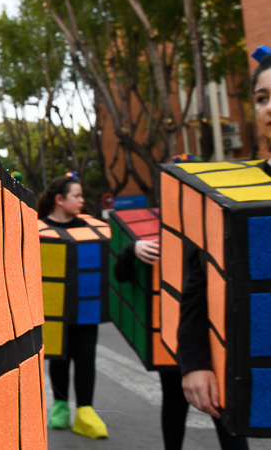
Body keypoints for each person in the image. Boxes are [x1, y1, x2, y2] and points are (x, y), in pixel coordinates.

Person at [177, 51, 271, 449]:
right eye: (263, 97)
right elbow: (199, 283)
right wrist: (196, 362)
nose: (270, 107)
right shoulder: (231, 194)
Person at [38, 174, 109, 438]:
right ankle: (59, 406)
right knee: (58, 358)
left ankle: (85, 411)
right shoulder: (38, 228)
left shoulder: (94, 229)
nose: (82, 200)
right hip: (53, 311)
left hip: (85, 310)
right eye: (76, 196)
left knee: (86, 358)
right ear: (60, 199)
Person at [114, 229, 189, 448]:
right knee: (174, 400)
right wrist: (131, 249)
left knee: (221, 408)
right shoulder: (158, 238)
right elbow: (120, 275)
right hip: (171, 333)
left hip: (212, 336)